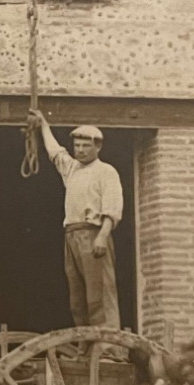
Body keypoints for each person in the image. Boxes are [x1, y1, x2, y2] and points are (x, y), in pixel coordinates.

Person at [29, 111, 124, 329]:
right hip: (71, 235)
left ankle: (109, 346)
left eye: (85, 146)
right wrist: (44, 125)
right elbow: (55, 152)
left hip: (93, 234)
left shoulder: (106, 171)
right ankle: (85, 345)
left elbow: (112, 207)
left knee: (99, 292)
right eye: (77, 146)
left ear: (98, 147)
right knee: (78, 297)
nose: (80, 150)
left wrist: (102, 236)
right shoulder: (72, 170)